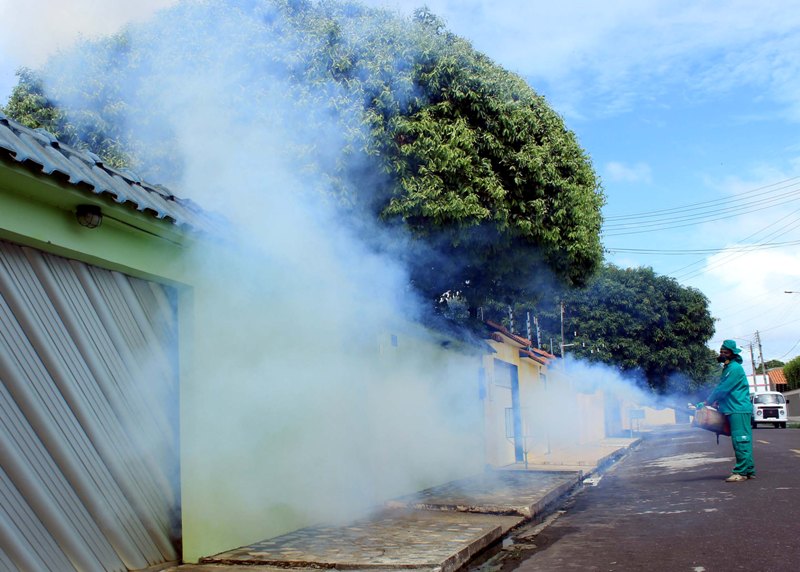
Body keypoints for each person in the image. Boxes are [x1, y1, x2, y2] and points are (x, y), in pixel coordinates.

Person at [698, 339, 755, 482]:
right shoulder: (728, 368)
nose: (722, 354)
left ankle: (741, 472)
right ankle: (749, 470)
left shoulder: (734, 368)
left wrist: (708, 401)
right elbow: (727, 391)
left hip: (738, 409)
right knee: (742, 440)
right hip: (733, 408)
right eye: (721, 351)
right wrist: (717, 403)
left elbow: (723, 388)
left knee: (740, 440)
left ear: (732, 353)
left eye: (725, 352)